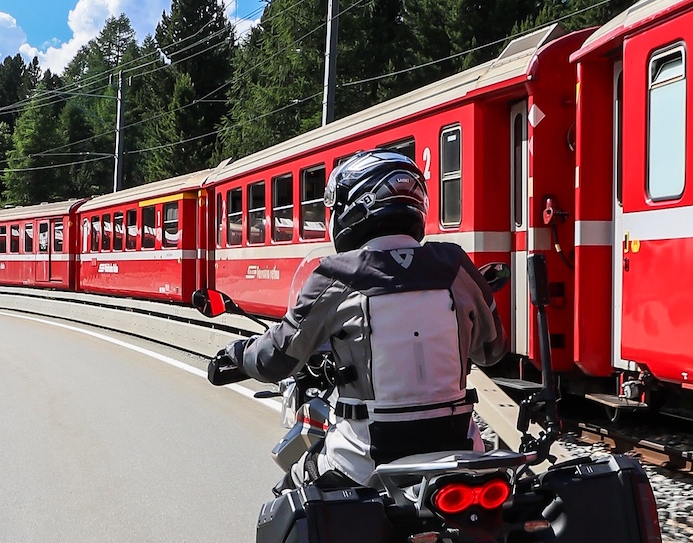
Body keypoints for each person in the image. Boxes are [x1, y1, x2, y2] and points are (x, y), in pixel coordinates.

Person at [208, 147, 504, 482]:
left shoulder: (338, 274)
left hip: (364, 461)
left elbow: (276, 357)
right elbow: (492, 351)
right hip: (461, 454)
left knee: (294, 487)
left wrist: (237, 353)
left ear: (352, 208)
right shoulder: (456, 265)